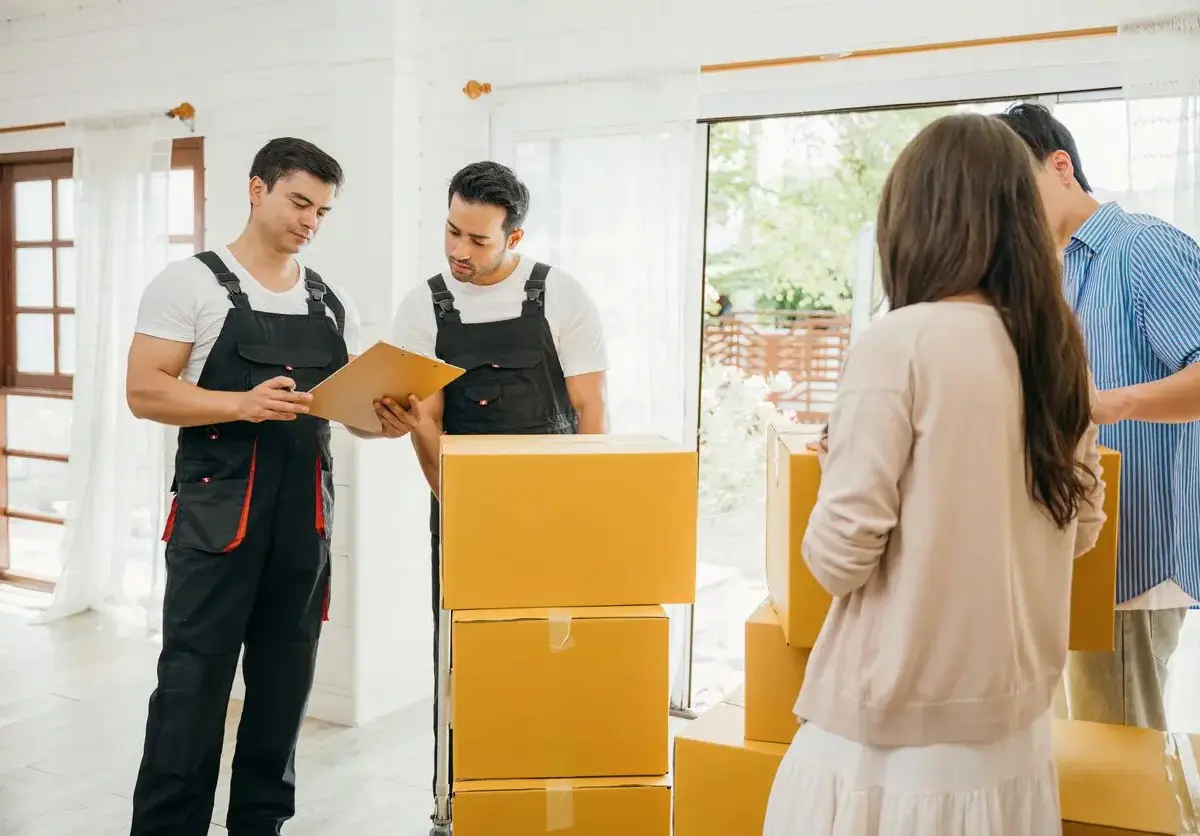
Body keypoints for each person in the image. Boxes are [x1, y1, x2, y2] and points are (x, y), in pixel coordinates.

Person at [762, 113, 1106, 835]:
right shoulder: (1056, 350)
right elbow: (1081, 532)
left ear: (912, 221)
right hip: (1012, 742)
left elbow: (838, 559)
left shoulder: (899, 342)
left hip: (889, 748)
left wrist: (836, 471)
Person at [125, 137, 416, 836]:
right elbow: (144, 391)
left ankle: (261, 826)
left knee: (283, 693)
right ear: (257, 190)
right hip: (215, 520)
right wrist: (239, 402)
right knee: (191, 690)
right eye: (299, 201)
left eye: (322, 210)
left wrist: (389, 424)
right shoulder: (189, 284)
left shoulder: (330, 298)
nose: (310, 221)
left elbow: (343, 410)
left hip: (304, 525)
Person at [386, 160, 608, 831]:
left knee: (552, 660)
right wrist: (456, 502)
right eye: (452, 231)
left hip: (554, 513)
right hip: (464, 513)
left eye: (478, 240)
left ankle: (549, 804)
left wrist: (589, 517)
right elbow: (425, 421)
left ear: (514, 238)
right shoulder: (422, 306)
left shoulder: (561, 296)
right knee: (460, 664)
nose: (459, 250)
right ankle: (453, 809)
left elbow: (591, 409)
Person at [999, 103, 1200, 731]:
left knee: (1120, 758)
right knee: (1075, 755)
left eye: (1013, 189)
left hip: (1135, 557)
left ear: (1061, 167)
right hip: (1072, 551)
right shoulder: (1047, 281)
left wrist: (1107, 404)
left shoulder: (1145, 248)